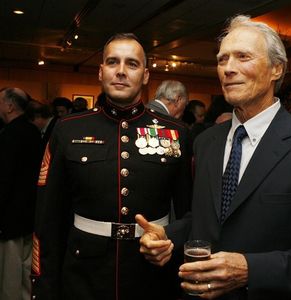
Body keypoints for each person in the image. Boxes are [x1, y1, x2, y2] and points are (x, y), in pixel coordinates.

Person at [137, 15, 291, 300]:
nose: (228, 68)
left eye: (243, 57)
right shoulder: (206, 142)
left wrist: (250, 269)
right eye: (222, 59)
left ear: (276, 68)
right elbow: (205, 219)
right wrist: (168, 236)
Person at [31, 33, 193, 300]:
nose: (120, 71)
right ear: (100, 71)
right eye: (112, 62)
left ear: (145, 75)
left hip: (152, 276)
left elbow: (191, 213)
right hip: (84, 275)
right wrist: (45, 285)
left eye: (131, 64)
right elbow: (48, 217)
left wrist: (172, 242)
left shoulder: (176, 132)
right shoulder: (69, 129)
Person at [0, 87, 43, 300]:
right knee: (26, 271)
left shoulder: (9, 134)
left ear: (9, 106)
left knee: (9, 273)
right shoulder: (33, 131)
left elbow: (4, 178)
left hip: (10, 215)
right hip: (30, 211)